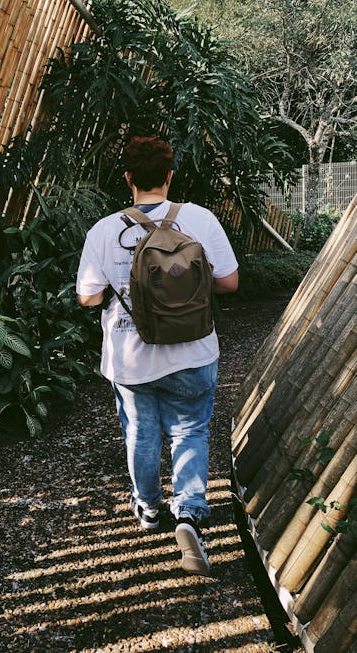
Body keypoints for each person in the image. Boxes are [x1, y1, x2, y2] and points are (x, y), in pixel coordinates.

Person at [76, 135, 238, 576]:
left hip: (131, 358)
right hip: (193, 351)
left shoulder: (105, 230)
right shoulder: (199, 221)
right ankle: (189, 514)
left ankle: (149, 509)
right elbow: (229, 283)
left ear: (127, 178)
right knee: (190, 431)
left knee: (140, 434)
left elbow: (87, 297)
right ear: (169, 176)